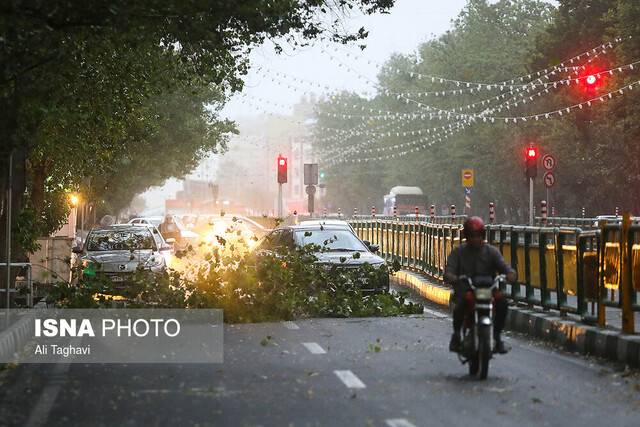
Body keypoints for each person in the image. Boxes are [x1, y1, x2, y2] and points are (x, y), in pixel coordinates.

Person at [444, 216, 516, 354]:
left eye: (478, 236)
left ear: (482, 236)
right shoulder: (458, 253)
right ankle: (457, 335)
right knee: (460, 305)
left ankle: (496, 336)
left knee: (502, 304)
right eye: (472, 236)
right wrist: (454, 278)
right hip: (467, 290)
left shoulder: (491, 252)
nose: (475, 239)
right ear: (466, 236)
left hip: (488, 290)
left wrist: (510, 274)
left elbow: (504, 267)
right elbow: (449, 271)